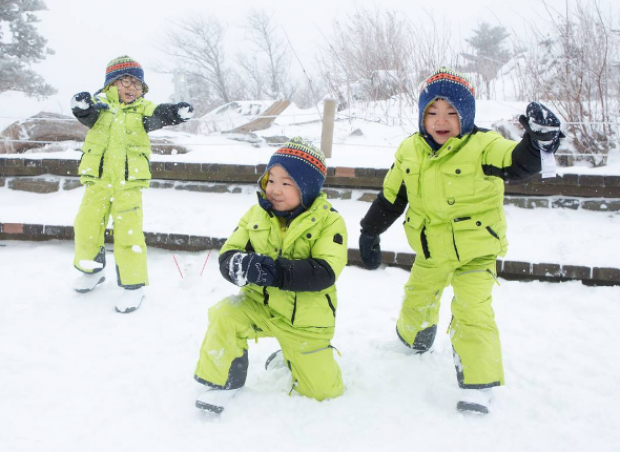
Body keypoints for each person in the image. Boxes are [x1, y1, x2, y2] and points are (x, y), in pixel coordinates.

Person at [358, 68, 564, 414]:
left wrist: (537, 142)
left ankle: (479, 384)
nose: (442, 120)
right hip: (430, 250)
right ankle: (413, 340)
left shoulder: (484, 145)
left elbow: (516, 164)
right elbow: (393, 196)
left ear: (466, 116)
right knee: (417, 298)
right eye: (433, 112)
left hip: (475, 253)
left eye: (452, 112)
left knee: (472, 312)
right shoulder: (410, 150)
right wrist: (370, 230)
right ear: (423, 116)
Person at [193, 137, 348, 413]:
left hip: (306, 321)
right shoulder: (257, 213)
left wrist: (274, 272)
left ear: (308, 188)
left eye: (286, 183)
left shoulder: (330, 221)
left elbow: (324, 271)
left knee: (324, 393)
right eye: (271, 179)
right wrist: (238, 266)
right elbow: (229, 253)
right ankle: (222, 382)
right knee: (224, 314)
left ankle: (294, 354)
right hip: (259, 307)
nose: (274, 190)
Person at [71, 55, 194, 313]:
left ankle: (133, 286)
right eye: (125, 81)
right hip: (98, 183)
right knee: (86, 226)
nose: (131, 88)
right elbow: (84, 112)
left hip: (128, 185)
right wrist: (81, 104)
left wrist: (176, 112)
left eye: (137, 84)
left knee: (129, 235)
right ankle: (91, 271)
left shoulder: (143, 110)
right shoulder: (99, 108)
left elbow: (161, 113)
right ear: (110, 84)